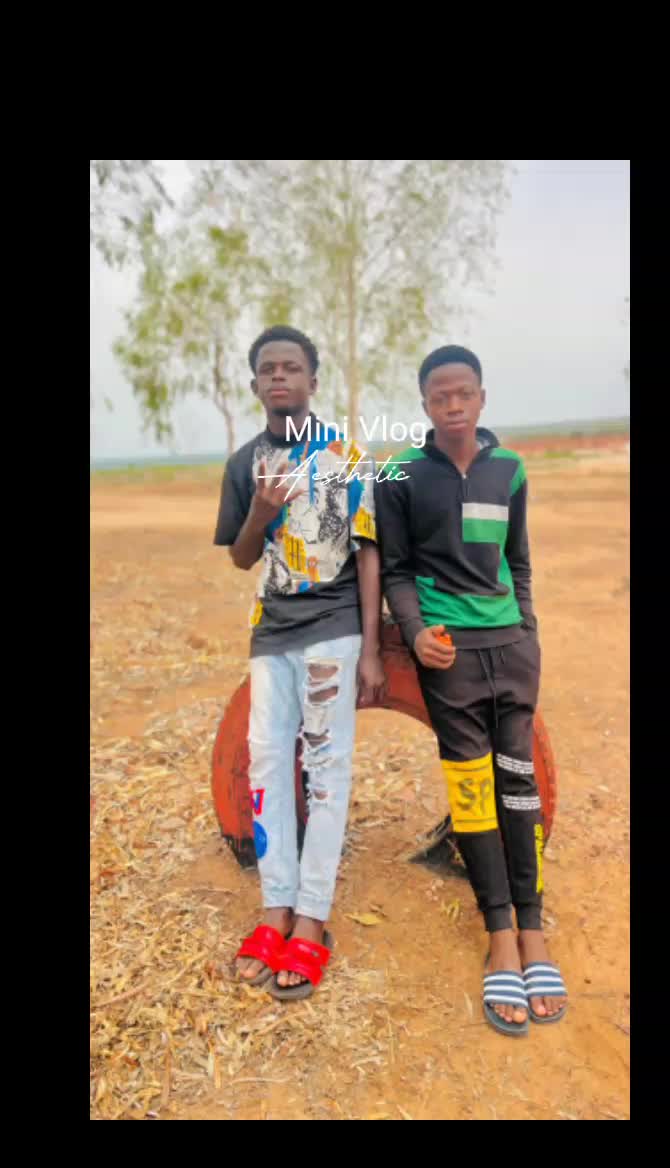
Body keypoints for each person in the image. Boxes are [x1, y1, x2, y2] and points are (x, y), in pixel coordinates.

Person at [375, 345, 568, 1036]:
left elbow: (519, 561)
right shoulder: (400, 474)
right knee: (472, 790)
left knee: (519, 786)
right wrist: (415, 631)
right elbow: (396, 569)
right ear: (425, 404)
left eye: (464, 394)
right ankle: (500, 938)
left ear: (482, 397)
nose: (452, 406)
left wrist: (528, 633)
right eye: (440, 397)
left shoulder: (509, 469)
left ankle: (533, 932)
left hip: (511, 652)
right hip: (450, 657)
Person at [213, 325, 384, 1000]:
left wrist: (373, 649)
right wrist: (260, 511)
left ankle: (312, 917)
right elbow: (240, 557)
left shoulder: (347, 456)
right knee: (265, 765)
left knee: (325, 768)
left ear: (313, 379)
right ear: (255, 385)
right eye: (267, 369)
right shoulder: (243, 463)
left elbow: (369, 553)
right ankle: (274, 908)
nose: (279, 377)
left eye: (291, 367)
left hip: (333, 630)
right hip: (271, 632)